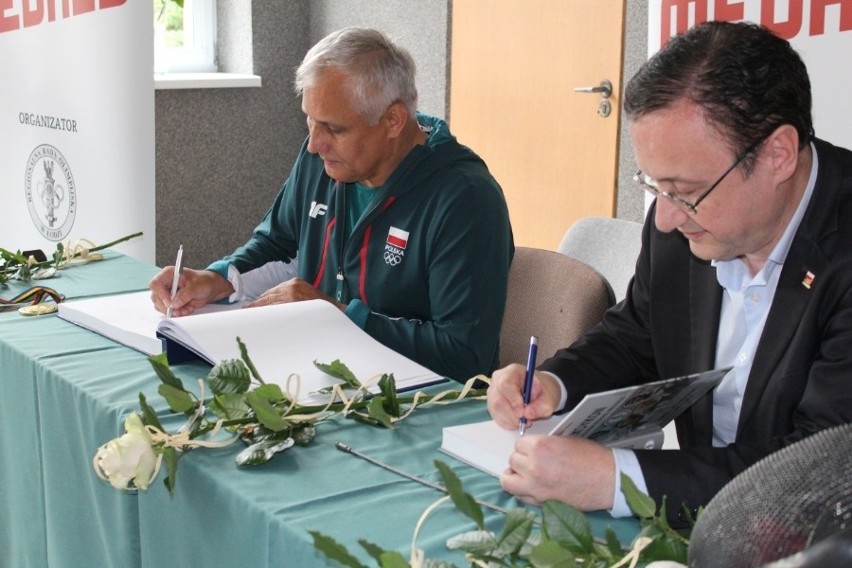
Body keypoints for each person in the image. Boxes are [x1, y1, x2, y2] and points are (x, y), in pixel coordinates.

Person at [486, 20, 852, 526]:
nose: (664, 216)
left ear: (778, 155)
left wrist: (619, 480)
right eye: (655, 185)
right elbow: (636, 333)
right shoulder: (682, 223)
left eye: (683, 189)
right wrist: (553, 382)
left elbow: (822, 473)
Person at [150, 27, 513, 383]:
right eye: (310, 121)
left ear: (393, 121)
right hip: (313, 377)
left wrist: (335, 314)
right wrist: (216, 280)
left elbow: (464, 356)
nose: (313, 144)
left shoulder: (466, 199)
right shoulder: (324, 161)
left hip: (412, 406)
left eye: (334, 129)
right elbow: (278, 244)